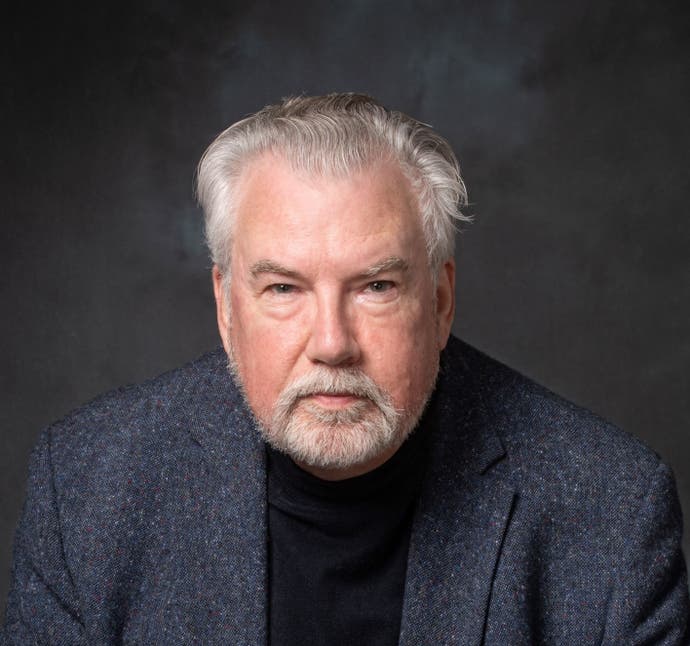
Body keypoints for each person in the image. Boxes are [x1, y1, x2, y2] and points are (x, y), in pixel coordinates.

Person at [2, 93, 688, 645]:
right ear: (224, 306)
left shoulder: (611, 509)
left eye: (376, 288)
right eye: (283, 289)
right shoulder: (88, 486)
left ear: (441, 300)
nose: (332, 344)